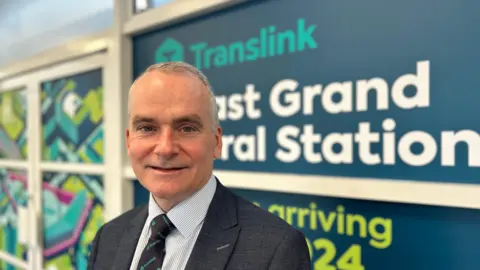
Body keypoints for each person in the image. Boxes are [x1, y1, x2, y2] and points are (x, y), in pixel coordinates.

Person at [87, 62, 312, 270]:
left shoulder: (276, 250)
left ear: (216, 141)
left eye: (187, 128)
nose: (165, 148)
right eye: (147, 128)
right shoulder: (108, 237)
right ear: (128, 140)